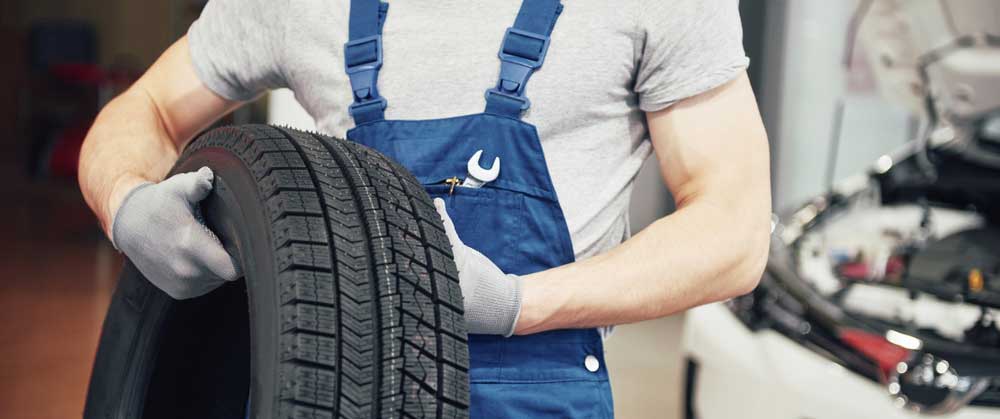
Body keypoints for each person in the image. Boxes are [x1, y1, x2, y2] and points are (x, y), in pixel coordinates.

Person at [78, 0, 771, 417]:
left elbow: (734, 230)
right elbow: (148, 107)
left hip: (538, 398)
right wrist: (126, 201)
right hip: (338, 389)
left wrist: (517, 302)